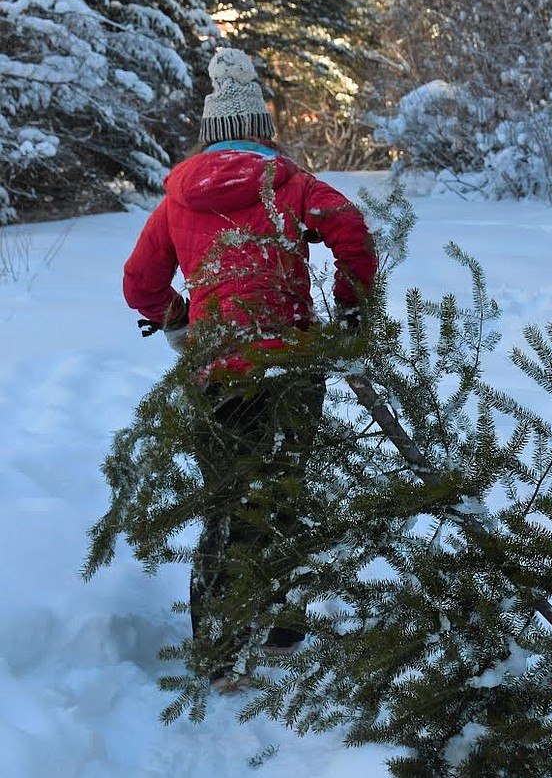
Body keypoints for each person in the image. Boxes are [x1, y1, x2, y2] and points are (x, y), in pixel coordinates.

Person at [122, 48, 377, 692]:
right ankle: (279, 634)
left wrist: (179, 318)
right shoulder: (287, 183)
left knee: (228, 497)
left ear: (209, 135)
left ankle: (219, 643)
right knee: (283, 490)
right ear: (263, 133)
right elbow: (349, 228)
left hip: (218, 371)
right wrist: (350, 310)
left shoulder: (178, 198)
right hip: (289, 362)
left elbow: (139, 282)